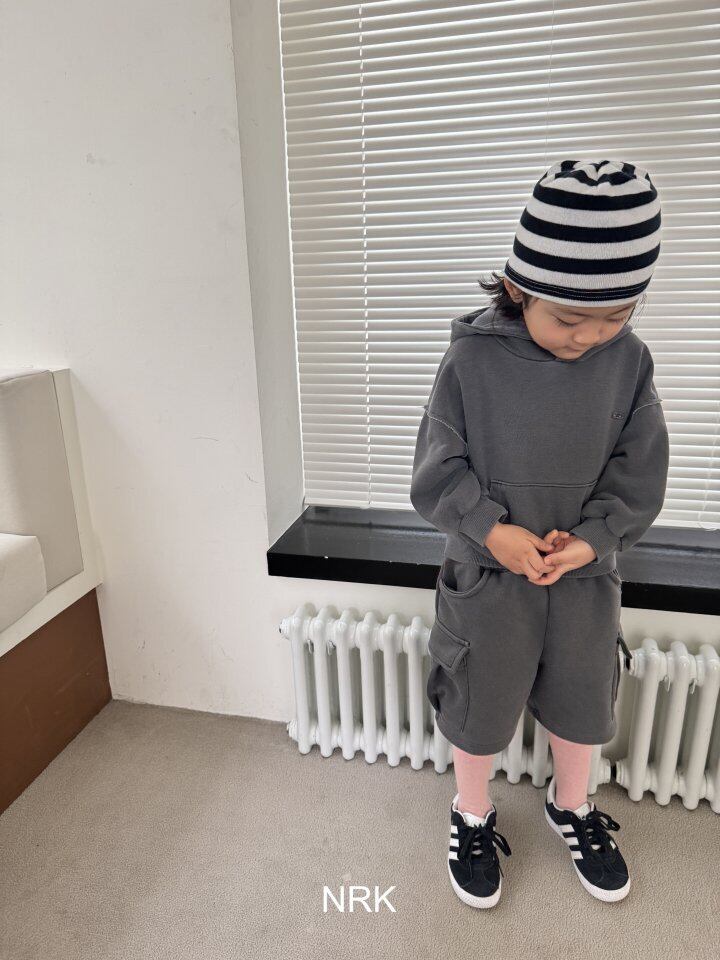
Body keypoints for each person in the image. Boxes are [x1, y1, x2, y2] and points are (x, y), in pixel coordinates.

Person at [409, 159, 670, 908]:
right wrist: (493, 533)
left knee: (584, 702)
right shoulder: (471, 359)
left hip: (584, 577)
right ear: (518, 287)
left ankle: (571, 805)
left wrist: (592, 539)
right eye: (568, 318)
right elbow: (435, 471)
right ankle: (472, 812)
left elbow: (639, 470)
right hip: (488, 577)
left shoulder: (629, 363)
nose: (590, 336)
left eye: (615, 316)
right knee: (478, 703)